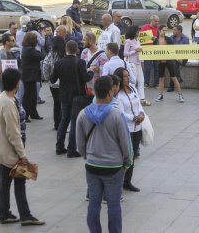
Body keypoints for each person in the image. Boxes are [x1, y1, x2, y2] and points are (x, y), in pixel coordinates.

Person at [76, 76, 132, 233]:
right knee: (114, 205)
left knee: (93, 203)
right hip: (113, 167)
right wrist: (126, 162)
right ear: (109, 92)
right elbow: (125, 144)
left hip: (92, 166)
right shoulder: (116, 115)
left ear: (94, 91)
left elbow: (79, 143)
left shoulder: (83, 114)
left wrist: (87, 156)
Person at [0, 68, 45, 226]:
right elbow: (13, 134)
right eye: (19, 80)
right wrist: (23, 155)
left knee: (6, 182)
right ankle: (25, 215)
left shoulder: (6, 97)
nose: (20, 83)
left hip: (6, 149)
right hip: (11, 151)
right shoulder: (8, 103)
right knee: (20, 182)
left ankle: (5, 213)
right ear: (15, 84)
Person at [50, 40, 93, 157]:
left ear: (66, 49)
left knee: (64, 120)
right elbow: (85, 78)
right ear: (77, 50)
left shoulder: (59, 63)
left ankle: (59, 146)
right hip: (77, 96)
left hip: (63, 95)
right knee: (74, 121)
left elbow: (52, 79)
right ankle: (71, 149)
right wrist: (91, 73)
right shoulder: (80, 62)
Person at [114, 67, 145, 192]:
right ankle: (118, 181)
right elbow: (120, 112)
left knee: (132, 157)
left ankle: (127, 182)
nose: (128, 78)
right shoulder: (118, 94)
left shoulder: (132, 88)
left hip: (137, 128)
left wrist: (141, 114)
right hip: (127, 129)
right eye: (125, 76)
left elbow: (139, 104)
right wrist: (134, 118)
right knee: (126, 156)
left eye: (128, 75)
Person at [152, 25, 184, 103]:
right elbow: (153, 51)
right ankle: (160, 95)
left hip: (169, 61)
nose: (165, 32)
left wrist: (177, 57)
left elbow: (173, 49)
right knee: (161, 79)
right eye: (163, 30)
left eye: (166, 30)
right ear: (159, 31)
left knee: (174, 78)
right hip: (160, 62)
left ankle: (180, 95)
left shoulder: (168, 39)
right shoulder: (156, 41)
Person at [43, 36, 66, 131]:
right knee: (63, 104)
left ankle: (57, 123)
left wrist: (47, 78)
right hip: (64, 83)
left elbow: (45, 67)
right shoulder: (65, 55)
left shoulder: (50, 55)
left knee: (56, 103)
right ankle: (62, 124)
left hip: (53, 83)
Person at [123, 26, 149, 107]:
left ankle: (141, 97)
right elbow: (125, 53)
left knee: (141, 80)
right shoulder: (128, 41)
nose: (139, 33)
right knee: (133, 80)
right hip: (131, 63)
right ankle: (133, 96)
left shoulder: (137, 40)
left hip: (138, 62)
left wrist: (142, 62)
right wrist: (135, 51)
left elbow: (140, 52)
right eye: (137, 32)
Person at [21, 32, 43, 121]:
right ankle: (26, 115)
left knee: (32, 95)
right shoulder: (30, 50)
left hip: (28, 75)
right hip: (29, 75)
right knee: (28, 96)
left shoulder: (25, 49)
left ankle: (33, 113)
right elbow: (40, 55)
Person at [167, 25, 189, 92]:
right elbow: (169, 49)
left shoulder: (186, 38)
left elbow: (187, 51)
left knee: (173, 64)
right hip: (173, 57)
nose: (172, 31)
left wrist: (181, 57)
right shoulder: (171, 38)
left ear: (179, 31)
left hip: (183, 57)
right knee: (174, 64)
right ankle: (178, 78)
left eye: (174, 30)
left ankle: (171, 86)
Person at [140, 15, 160, 87]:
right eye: (156, 21)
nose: (157, 23)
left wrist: (156, 39)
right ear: (151, 20)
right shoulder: (145, 27)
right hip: (147, 50)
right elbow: (140, 37)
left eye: (158, 21)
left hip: (156, 50)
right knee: (147, 68)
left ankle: (156, 83)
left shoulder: (158, 28)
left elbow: (162, 38)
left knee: (157, 67)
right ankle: (146, 83)